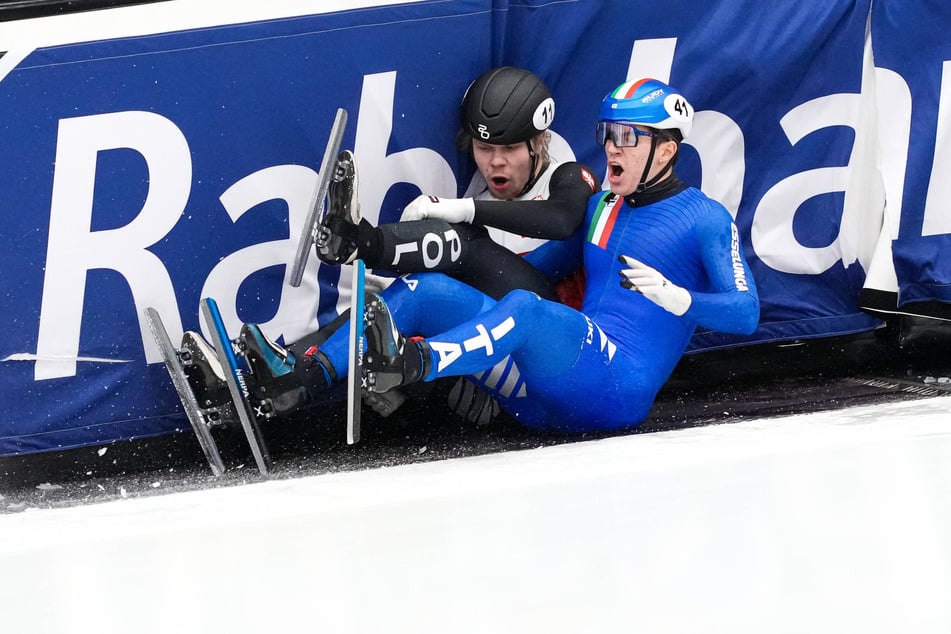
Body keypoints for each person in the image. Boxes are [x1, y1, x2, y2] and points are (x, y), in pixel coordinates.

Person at [217, 77, 760, 433]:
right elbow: (528, 273)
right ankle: (299, 380)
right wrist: (452, 248)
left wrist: (680, 298)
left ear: (667, 149)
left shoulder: (704, 217)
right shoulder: (603, 208)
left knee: (526, 308)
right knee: (427, 292)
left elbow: (746, 313)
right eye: (608, 133)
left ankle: (413, 365)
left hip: (615, 390)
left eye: (628, 136)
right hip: (546, 387)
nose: (613, 146)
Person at [181, 67, 597, 421]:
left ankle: (359, 243)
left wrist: (465, 210)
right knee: (381, 302)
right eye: (485, 148)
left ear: (538, 143)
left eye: (509, 149)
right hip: (479, 356)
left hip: (547, 358)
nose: (496, 162)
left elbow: (561, 222)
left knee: (459, 245)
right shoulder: (482, 187)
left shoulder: (565, 172)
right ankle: (274, 383)